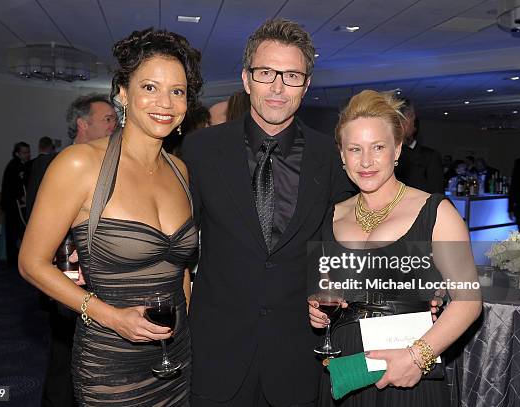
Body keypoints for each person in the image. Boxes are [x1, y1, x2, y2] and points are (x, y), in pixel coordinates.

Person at [19, 27, 202, 406]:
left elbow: (180, 269)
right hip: (112, 361)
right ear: (123, 92)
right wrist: (110, 316)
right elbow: (31, 263)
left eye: (177, 91)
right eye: (150, 87)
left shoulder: (181, 172)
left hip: (178, 355)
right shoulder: (79, 164)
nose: (165, 102)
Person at [181, 18, 355, 407]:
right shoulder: (200, 150)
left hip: (297, 357)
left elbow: (349, 239)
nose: (277, 87)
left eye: (292, 75)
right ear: (246, 79)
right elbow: (171, 232)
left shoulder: (331, 156)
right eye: (266, 73)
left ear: (306, 85)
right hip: (217, 354)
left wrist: (418, 284)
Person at [310, 90, 482, 406]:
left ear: (397, 149)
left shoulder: (436, 211)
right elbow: (328, 286)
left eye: (378, 147)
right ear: (342, 154)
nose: (365, 161)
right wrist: (317, 310)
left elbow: (468, 301)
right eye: (354, 149)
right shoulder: (330, 215)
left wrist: (417, 357)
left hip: (408, 364)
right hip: (347, 366)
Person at [25, 95, 116, 407]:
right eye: (107, 119)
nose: (114, 125)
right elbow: (40, 230)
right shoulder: (53, 165)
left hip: (102, 282)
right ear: (83, 123)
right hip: (65, 278)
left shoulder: (110, 164)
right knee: (64, 358)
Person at [394, 100, 443, 193]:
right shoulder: (386, 154)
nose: (400, 126)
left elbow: (437, 195)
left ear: (414, 127)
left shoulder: (430, 157)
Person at [0, 141, 31, 266]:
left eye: (28, 152)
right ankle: (12, 260)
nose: (27, 155)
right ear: (17, 153)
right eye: (24, 152)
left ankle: (18, 258)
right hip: (12, 205)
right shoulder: (14, 166)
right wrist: (21, 196)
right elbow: (12, 186)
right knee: (13, 232)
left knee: (19, 231)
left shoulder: (23, 165)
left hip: (17, 204)